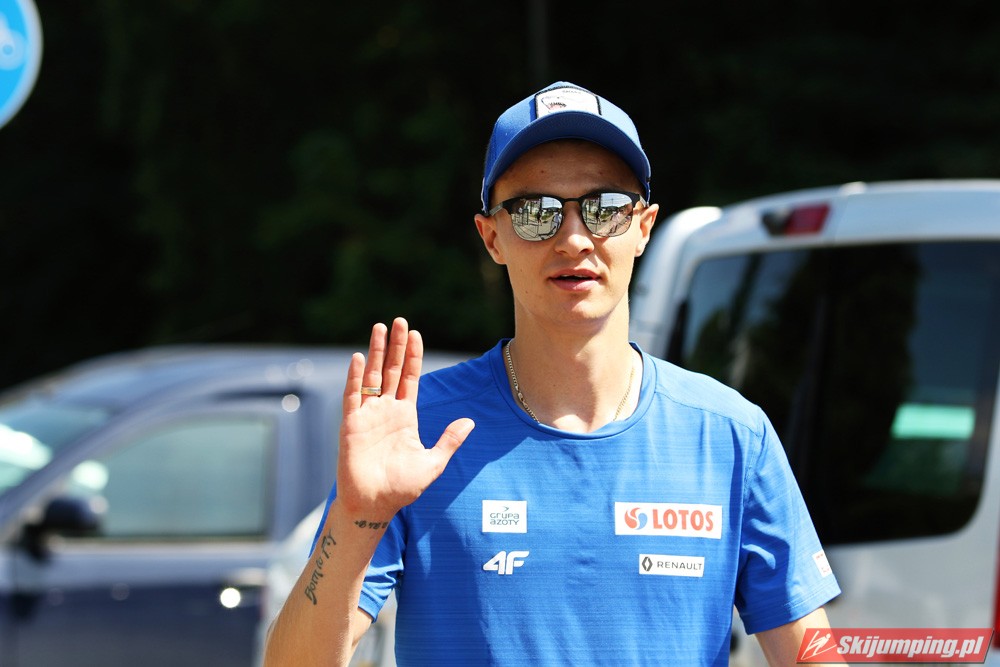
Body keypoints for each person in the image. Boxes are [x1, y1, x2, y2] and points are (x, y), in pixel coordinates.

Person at [263, 81, 841, 666]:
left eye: (605, 208)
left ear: (643, 227)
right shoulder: (420, 430)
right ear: (492, 237)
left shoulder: (731, 434)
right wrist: (357, 518)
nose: (573, 239)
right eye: (536, 213)